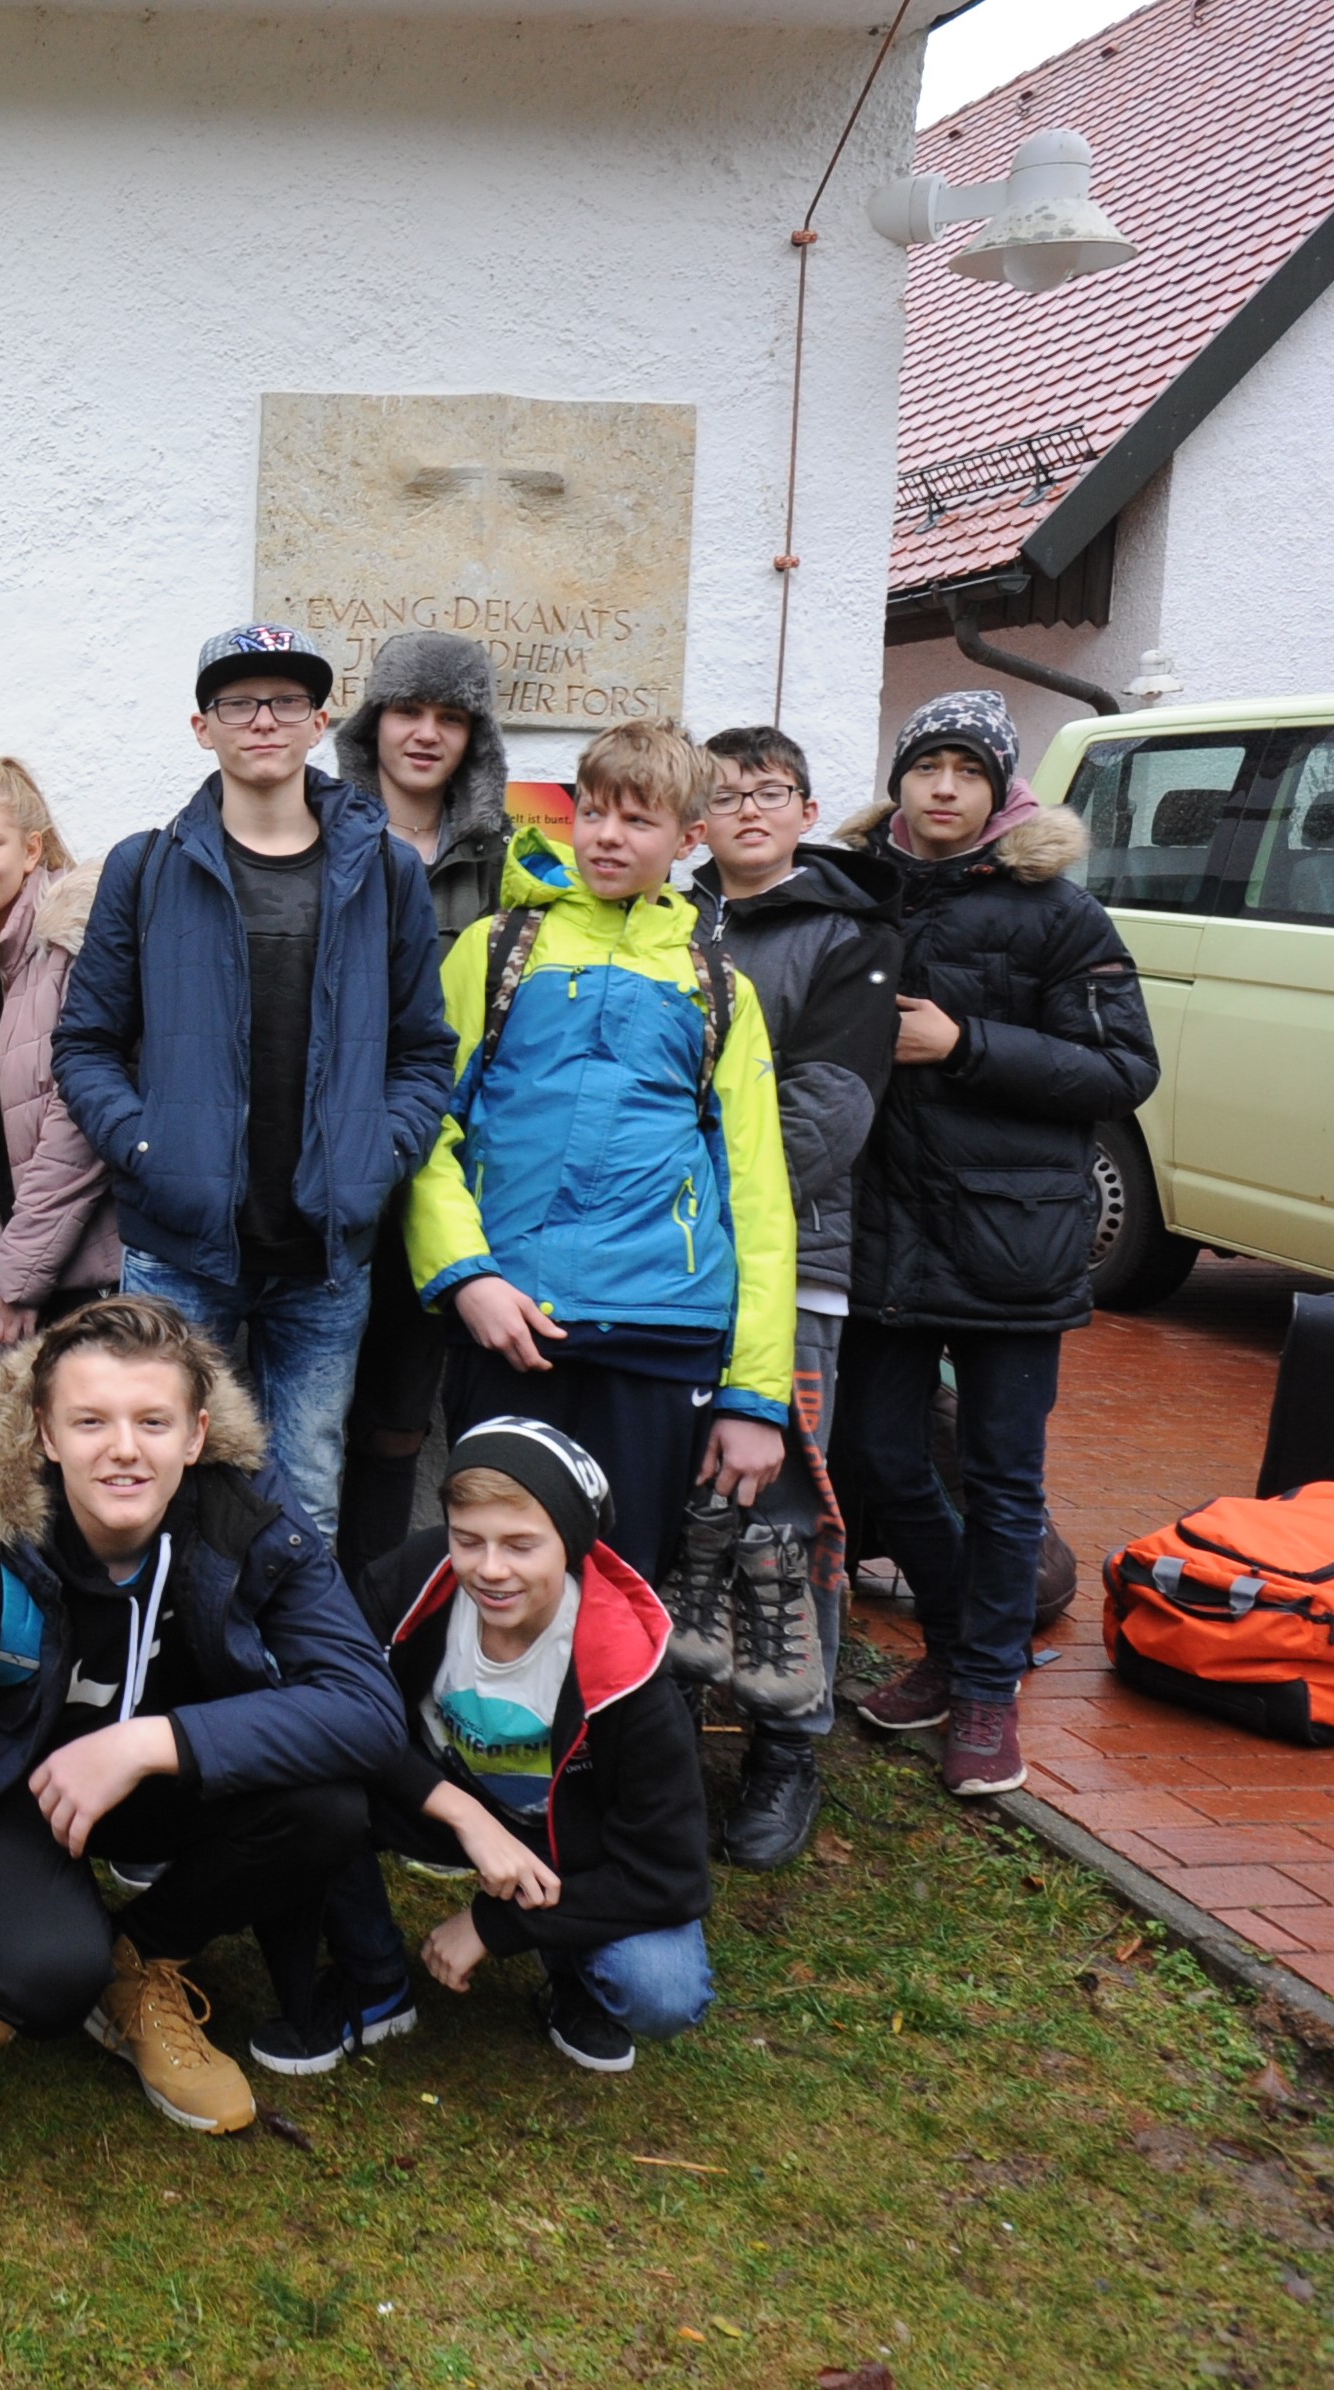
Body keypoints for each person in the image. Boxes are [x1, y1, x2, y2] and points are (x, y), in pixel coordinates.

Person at [0, 1297, 399, 2142]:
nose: (123, 1447)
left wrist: (155, 1742)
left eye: (153, 1420)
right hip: (13, 1786)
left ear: (195, 1434)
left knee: (326, 1800)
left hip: (157, 1775)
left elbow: (369, 1706)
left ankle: (140, 1960)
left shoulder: (246, 1513)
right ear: (43, 1433)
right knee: (42, 1980)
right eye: (90, 1420)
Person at [54, 625, 454, 1546]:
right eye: (238, 702)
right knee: (153, 1491)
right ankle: (167, 1680)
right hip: (179, 1246)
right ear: (204, 727)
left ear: (320, 722)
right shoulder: (145, 867)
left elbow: (424, 1051)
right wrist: (149, 1149)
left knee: (305, 1494)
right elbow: (86, 1043)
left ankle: (289, 1685)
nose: (262, 719)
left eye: (284, 701)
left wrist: (380, 1155)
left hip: (324, 1253)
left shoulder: (386, 872)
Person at [834, 692, 1157, 1798]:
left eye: (969, 770)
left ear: (999, 790)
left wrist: (965, 1043)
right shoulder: (856, 888)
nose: (943, 788)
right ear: (903, 776)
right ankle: (970, 1643)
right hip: (883, 1237)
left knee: (1004, 1479)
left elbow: (1123, 1072)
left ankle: (981, 1691)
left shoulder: (1057, 912)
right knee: (877, 1456)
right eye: (928, 765)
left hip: (1012, 1240)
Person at [405, 719, 797, 1584]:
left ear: (690, 838)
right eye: (591, 813)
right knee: (493, 1570)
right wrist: (465, 1273)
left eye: (638, 820)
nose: (607, 836)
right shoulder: (497, 949)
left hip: (663, 1334)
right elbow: (426, 1127)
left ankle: (615, 1726)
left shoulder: (719, 988)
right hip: (513, 1323)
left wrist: (755, 1397)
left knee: (624, 1582)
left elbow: (758, 1197)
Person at [314, 1420, 716, 2077]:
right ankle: (375, 1976)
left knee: (662, 1987)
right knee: (305, 1786)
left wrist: (496, 1924)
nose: (491, 1569)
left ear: (572, 1544)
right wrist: (458, 1813)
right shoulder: (414, 1581)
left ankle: (572, 1976)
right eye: (467, 1540)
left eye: (521, 1545)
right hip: (439, 1802)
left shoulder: (629, 1671)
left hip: (570, 1851)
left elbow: (670, 1876)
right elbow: (331, 1710)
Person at [685, 725, 899, 1866]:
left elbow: (825, 1117)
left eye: (770, 792)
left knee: (779, 1521)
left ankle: (784, 1746)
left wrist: (696, 1212)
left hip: (792, 1267)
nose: (748, 811)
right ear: (697, 819)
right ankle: (668, 1724)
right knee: (682, 1508)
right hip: (663, 1269)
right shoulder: (670, 923)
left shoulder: (849, 937)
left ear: (807, 809)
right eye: (724, 795)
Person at [327, 634, 517, 1565]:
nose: (427, 733)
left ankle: (370, 1617)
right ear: (375, 723)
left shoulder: (509, 862)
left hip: (444, 1167)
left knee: (399, 1417)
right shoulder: (319, 834)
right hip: (330, 1159)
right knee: (304, 1406)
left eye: (451, 716)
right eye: (409, 711)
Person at [0, 758, 117, 1356]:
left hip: (88, 1274)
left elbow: (78, 1130)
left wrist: (15, 1279)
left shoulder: (76, 942)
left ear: (32, 850)